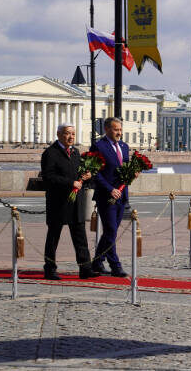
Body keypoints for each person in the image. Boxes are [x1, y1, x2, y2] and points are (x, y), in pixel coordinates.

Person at [41, 123, 99, 280]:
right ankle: (50, 269)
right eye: (67, 133)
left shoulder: (75, 153)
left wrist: (87, 176)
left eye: (73, 134)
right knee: (53, 237)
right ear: (59, 134)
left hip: (76, 202)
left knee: (80, 237)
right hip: (58, 202)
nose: (71, 137)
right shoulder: (50, 153)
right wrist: (70, 183)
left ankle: (85, 268)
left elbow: (79, 175)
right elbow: (48, 177)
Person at [90, 117, 132, 277]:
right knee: (111, 230)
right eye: (116, 130)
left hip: (122, 195)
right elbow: (95, 172)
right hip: (106, 196)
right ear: (107, 129)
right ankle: (115, 265)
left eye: (120, 130)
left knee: (110, 232)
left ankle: (97, 261)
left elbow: (125, 166)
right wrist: (109, 189)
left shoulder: (124, 146)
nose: (119, 133)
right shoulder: (99, 146)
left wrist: (132, 173)